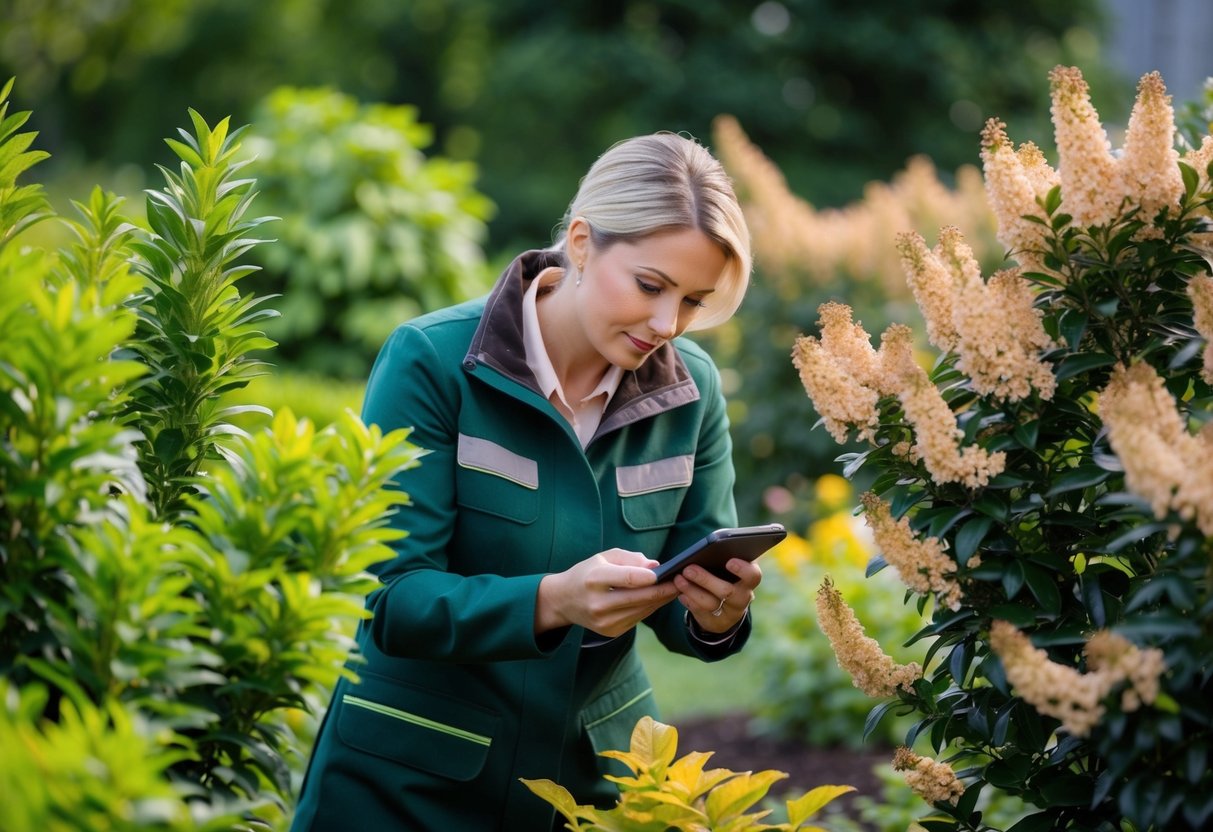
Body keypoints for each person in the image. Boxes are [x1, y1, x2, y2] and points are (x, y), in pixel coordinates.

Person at [290, 131, 762, 831]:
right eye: (650, 286)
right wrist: (553, 601)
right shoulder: (431, 362)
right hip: (408, 784)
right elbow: (391, 599)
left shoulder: (692, 389)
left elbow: (680, 588)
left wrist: (714, 615)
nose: (667, 324)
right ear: (580, 242)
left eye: (693, 300)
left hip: (592, 785)